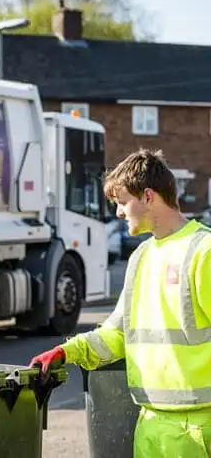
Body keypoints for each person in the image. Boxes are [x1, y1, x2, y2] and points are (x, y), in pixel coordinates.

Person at [29, 148, 211, 458]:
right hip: (149, 422)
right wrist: (67, 351)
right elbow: (117, 333)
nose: (118, 213)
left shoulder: (202, 251)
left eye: (122, 202)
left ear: (149, 196)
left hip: (198, 428)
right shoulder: (141, 258)